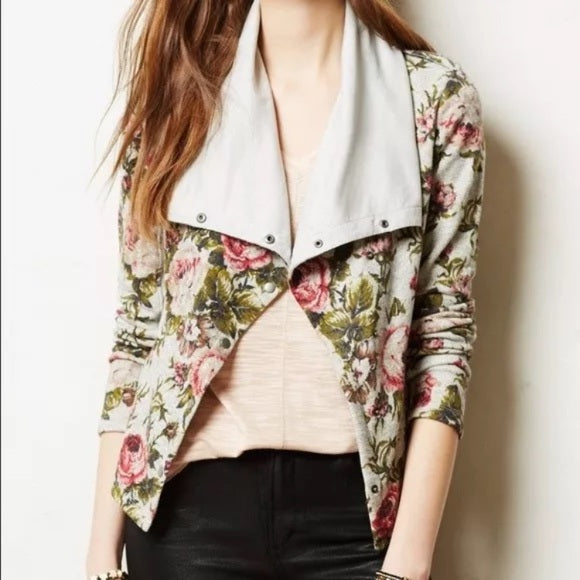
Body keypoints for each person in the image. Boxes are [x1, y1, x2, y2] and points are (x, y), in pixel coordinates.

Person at [86, 0, 486, 578]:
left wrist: (409, 561)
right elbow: (139, 333)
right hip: (185, 522)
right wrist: (101, 558)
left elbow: (442, 336)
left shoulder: (433, 100)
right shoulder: (179, 98)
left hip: (358, 527)